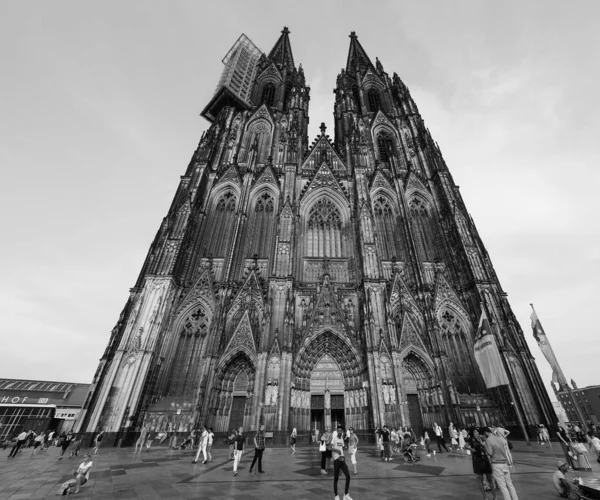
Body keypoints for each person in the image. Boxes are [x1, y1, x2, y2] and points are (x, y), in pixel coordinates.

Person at [482, 426, 519, 500]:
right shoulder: (500, 439)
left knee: (502, 486)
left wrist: (485, 447)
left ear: (485, 433)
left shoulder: (488, 440)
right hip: (504, 463)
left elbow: (490, 453)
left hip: (497, 464)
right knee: (510, 484)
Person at [466, 427, 497, 500]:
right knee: (480, 479)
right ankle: (485, 498)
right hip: (477, 460)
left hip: (485, 459)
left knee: (490, 478)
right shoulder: (470, 440)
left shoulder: (482, 438)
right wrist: (471, 449)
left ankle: (495, 497)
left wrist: (482, 441)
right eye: (475, 432)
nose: (476, 433)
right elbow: (465, 446)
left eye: (477, 432)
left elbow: (486, 445)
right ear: (472, 433)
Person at [331, 425, 353, 500]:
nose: (340, 432)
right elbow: (329, 447)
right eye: (338, 430)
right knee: (336, 478)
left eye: (341, 431)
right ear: (337, 431)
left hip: (342, 460)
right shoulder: (334, 439)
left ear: (342, 432)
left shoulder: (342, 440)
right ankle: (336, 495)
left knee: (348, 476)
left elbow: (342, 448)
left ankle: (346, 494)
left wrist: (343, 456)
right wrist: (336, 451)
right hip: (336, 460)